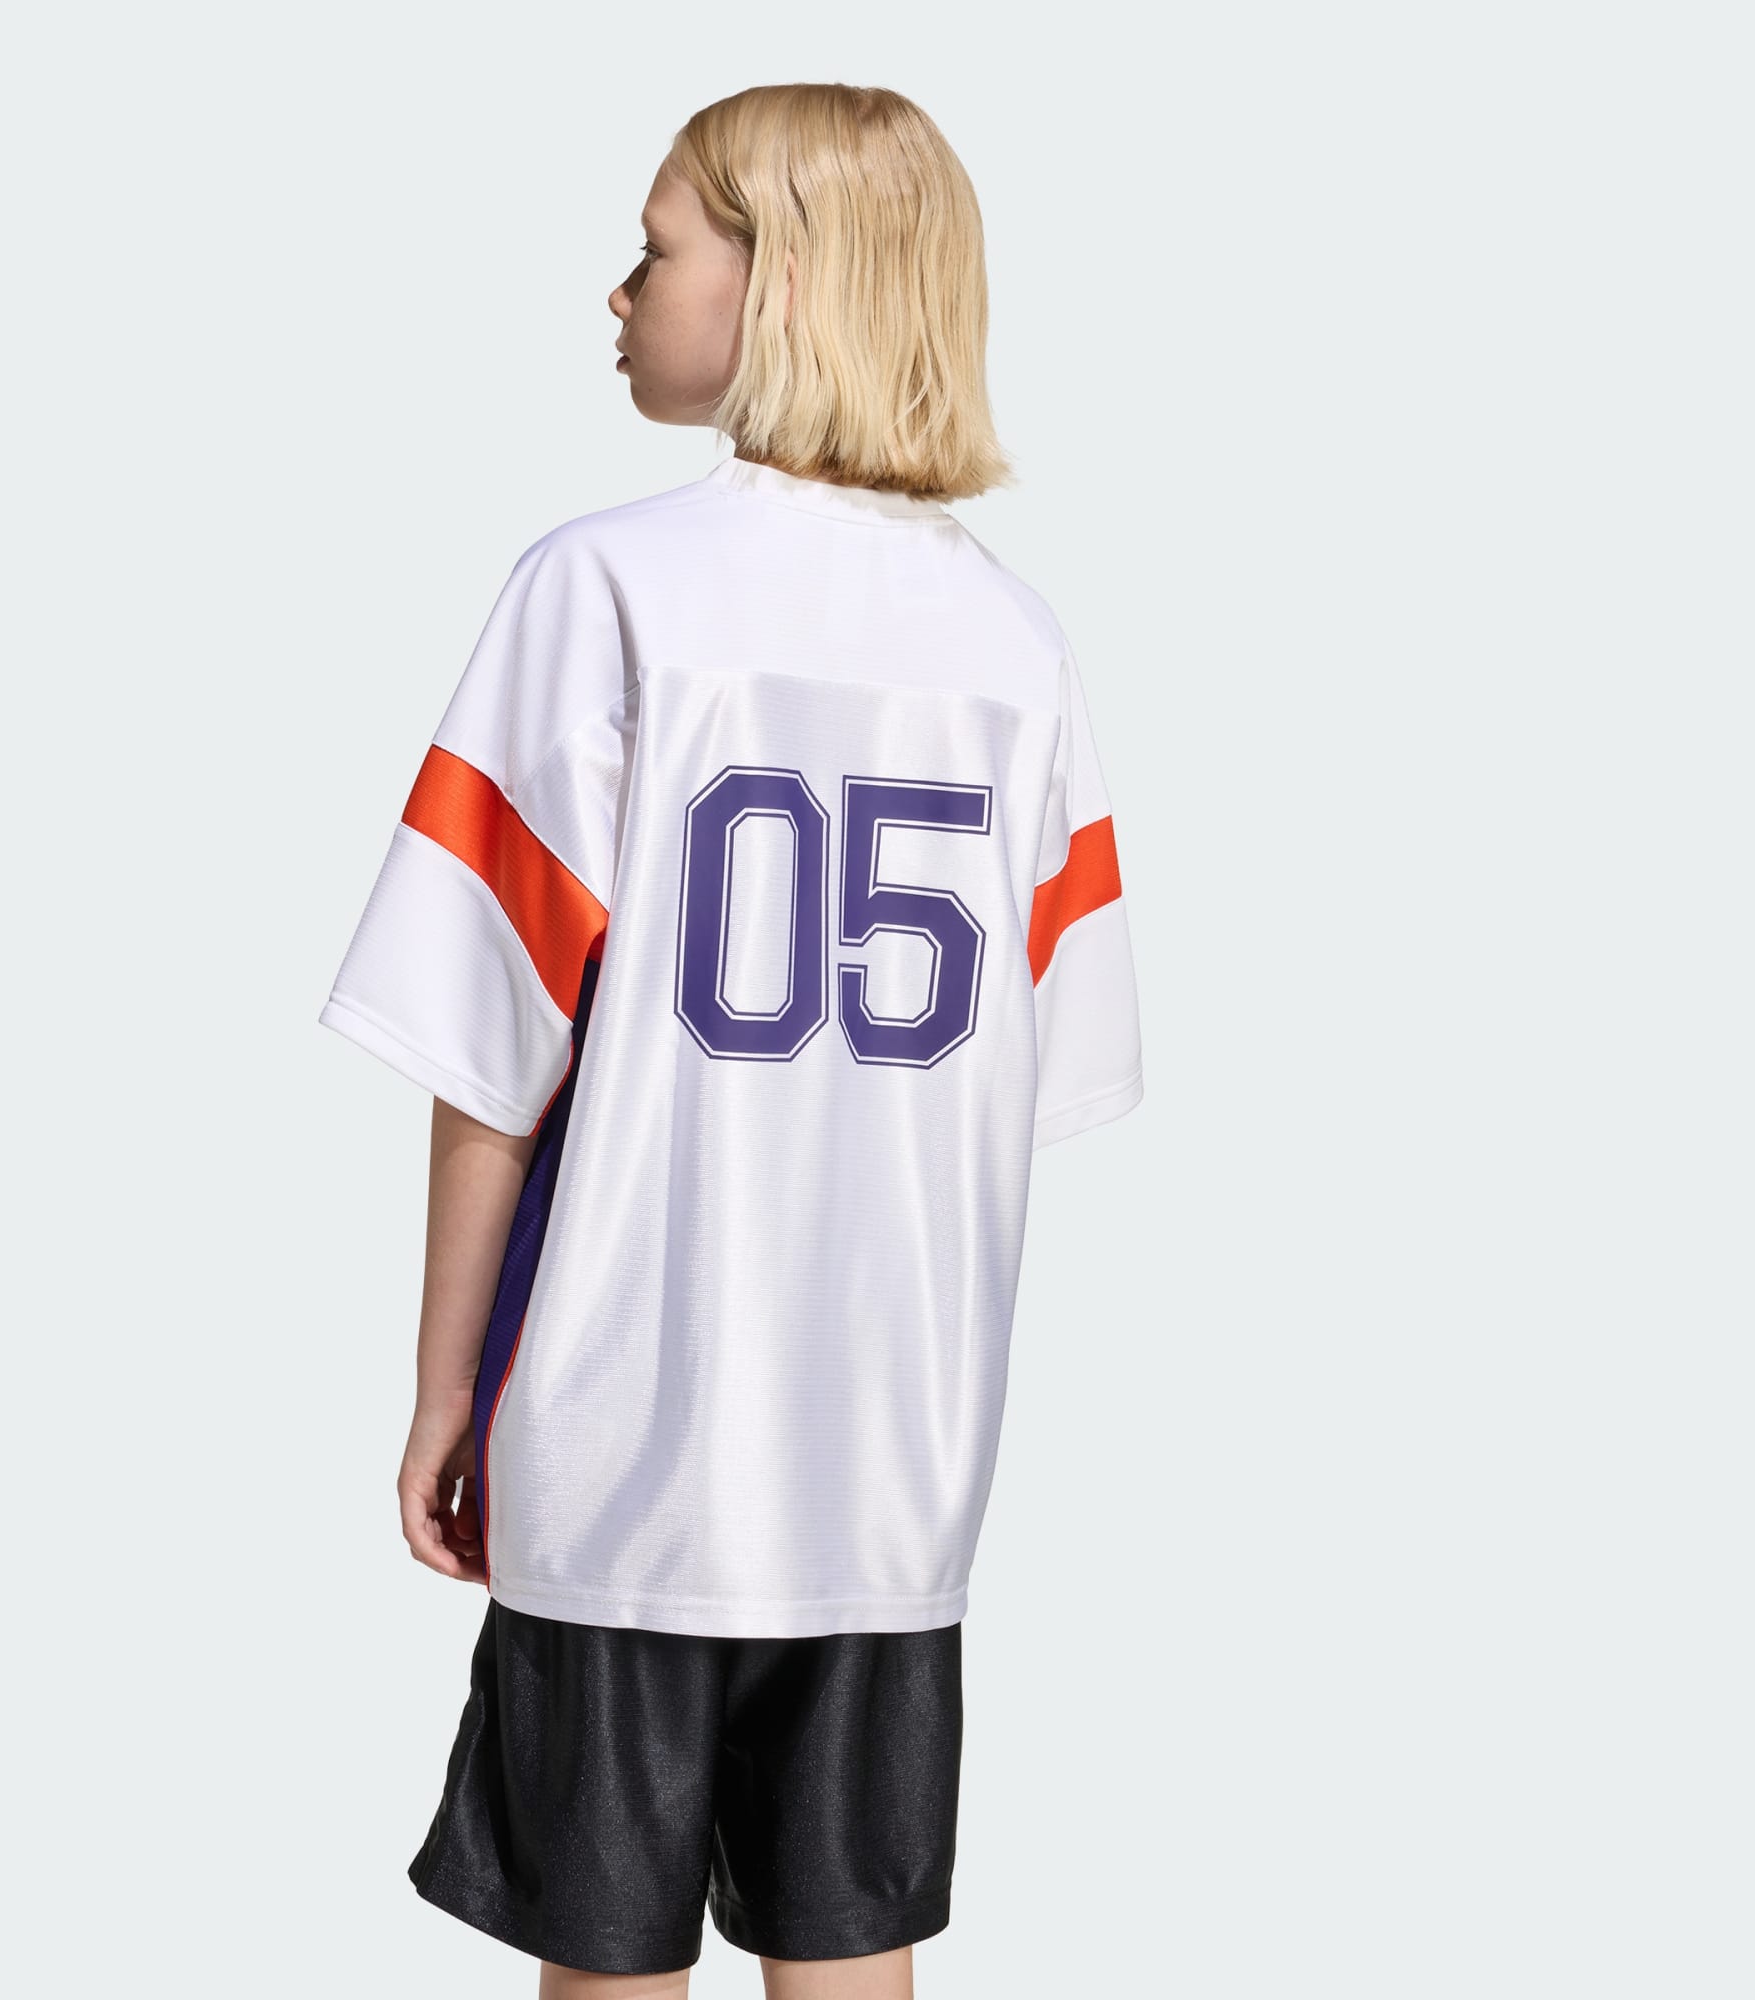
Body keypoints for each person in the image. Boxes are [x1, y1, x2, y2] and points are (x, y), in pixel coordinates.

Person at [317, 81, 1144, 2000]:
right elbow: (1046, 1070)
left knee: (606, 1961)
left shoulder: (604, 587)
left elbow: (488, 1053)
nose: (617, 294)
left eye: (655, 249)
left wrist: (444, 1397)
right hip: (894, 1473)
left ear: (782, 283)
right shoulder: (1023, 653)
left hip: (624, 1442)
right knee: (856, 1956)